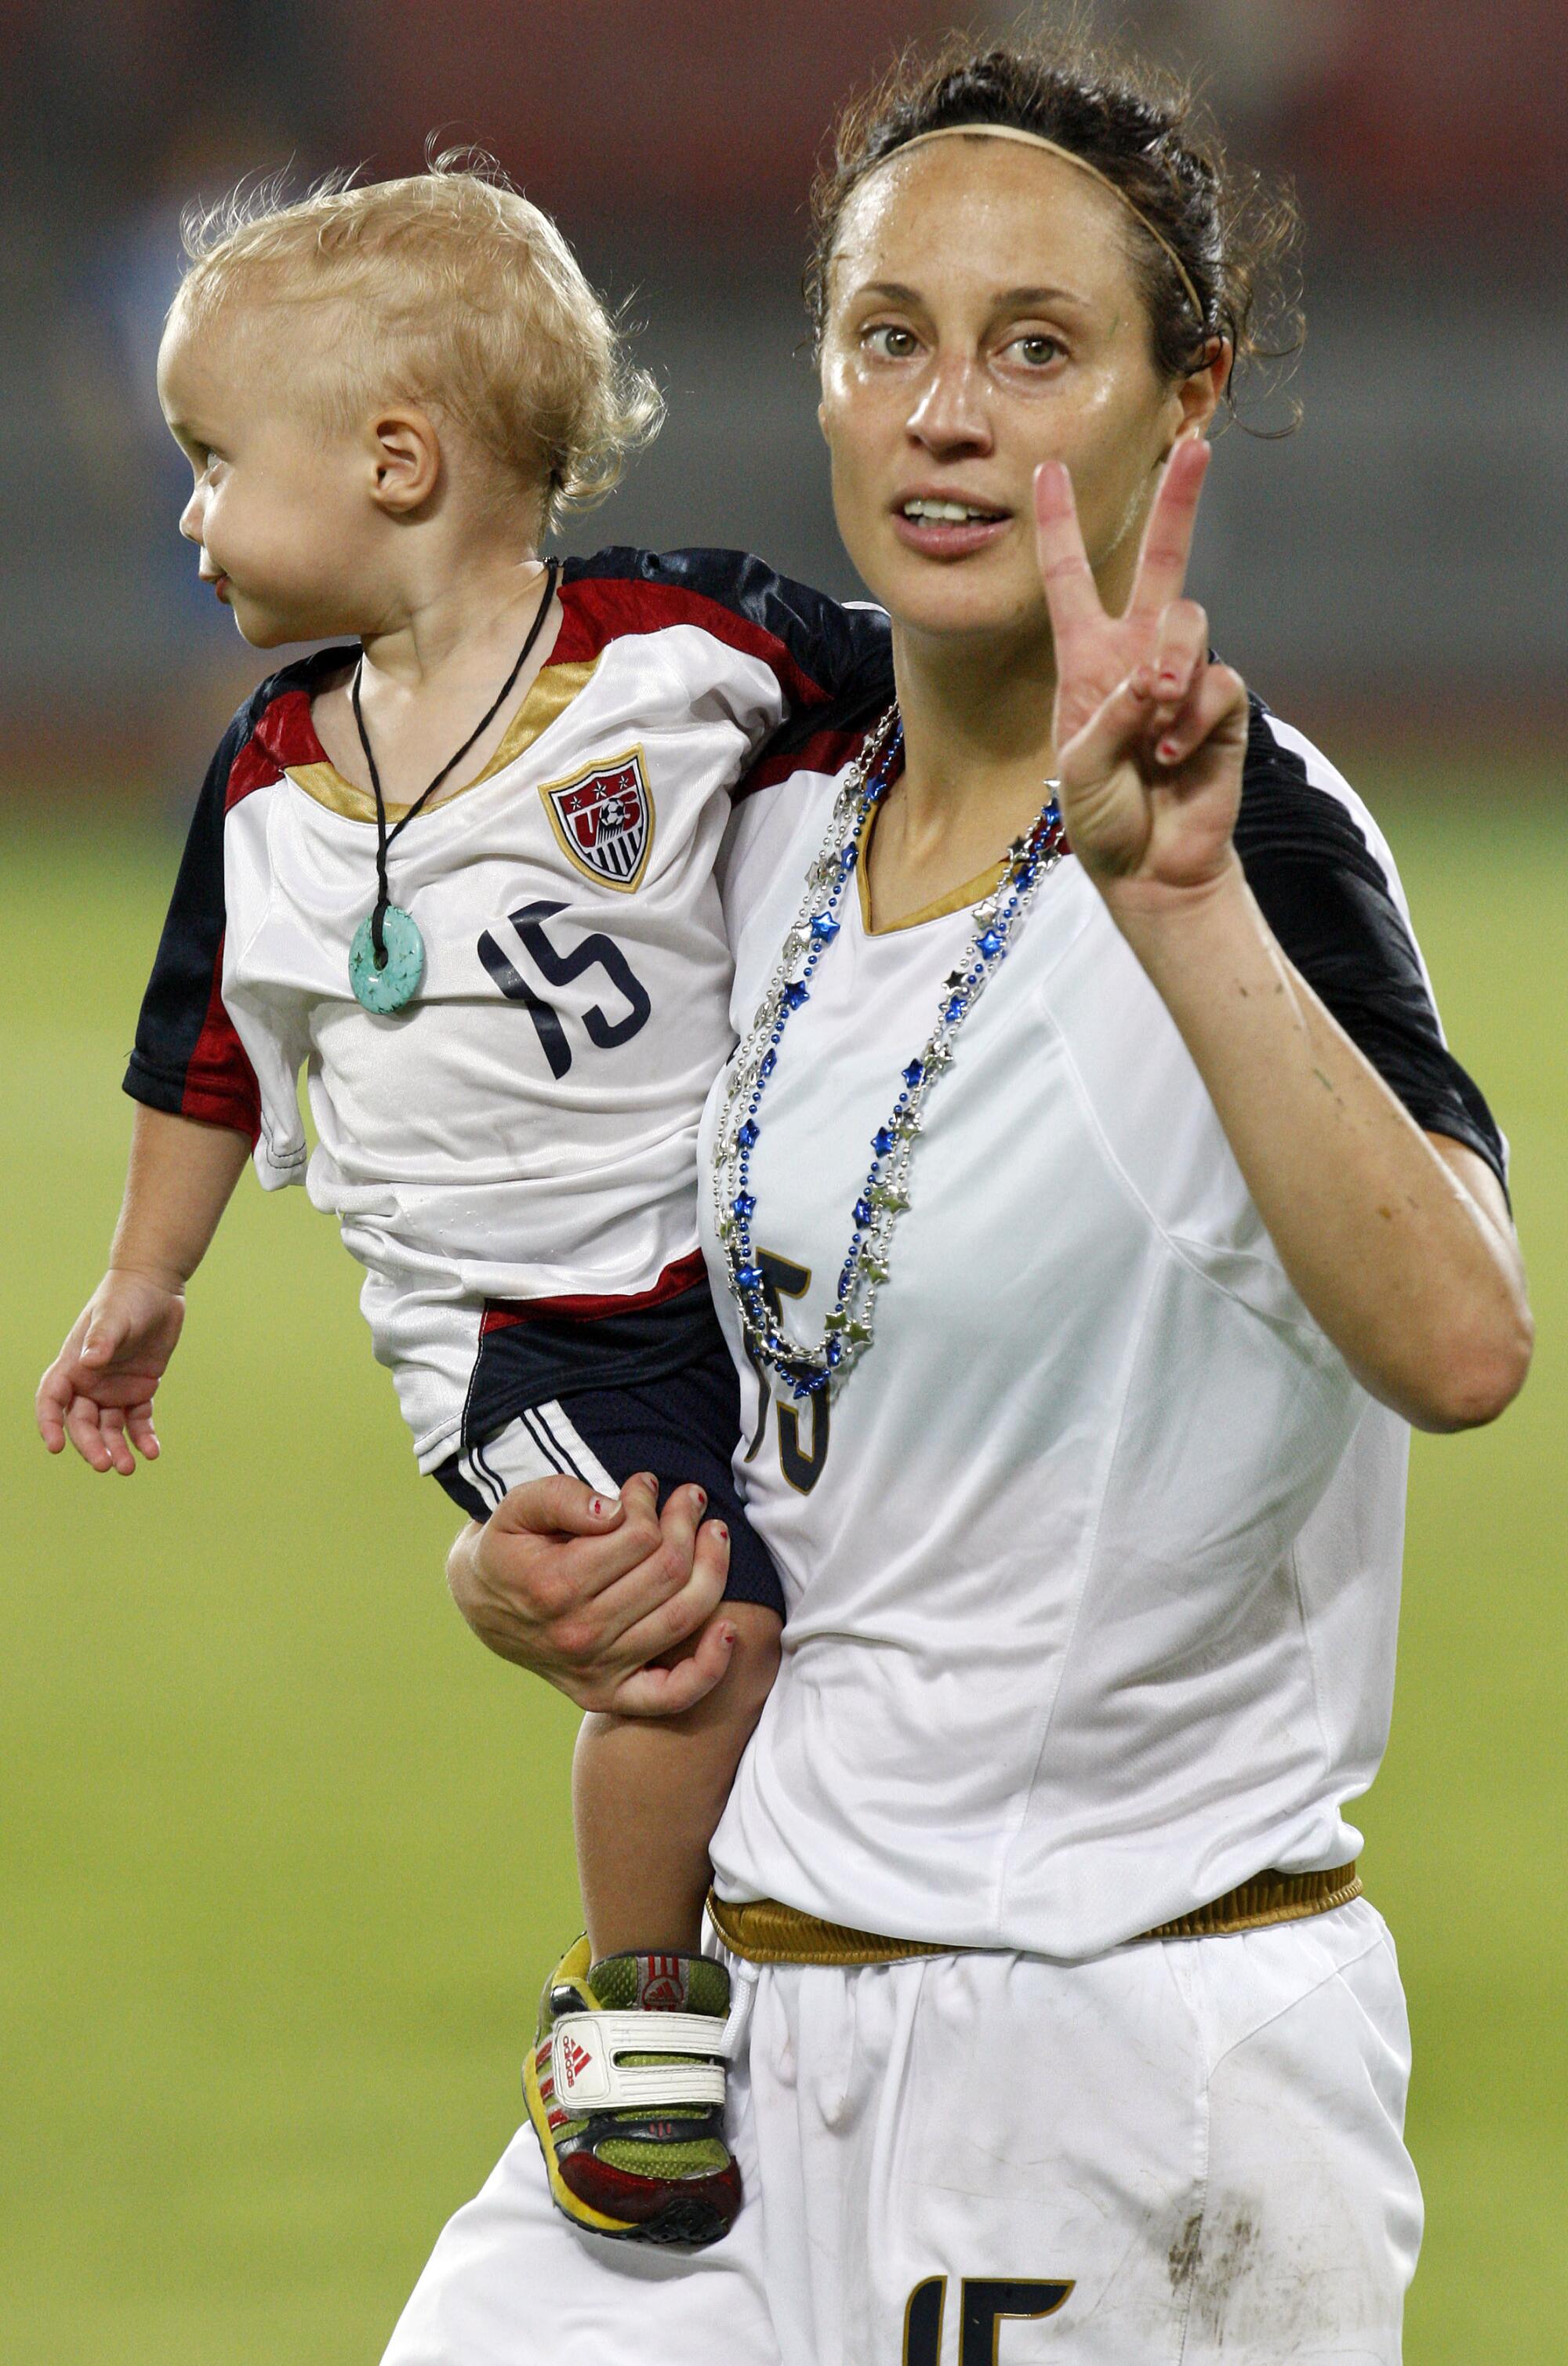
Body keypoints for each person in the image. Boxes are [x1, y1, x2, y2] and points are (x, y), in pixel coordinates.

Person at [382, 30, 1532, 2366]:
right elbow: (742, 1375)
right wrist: (551, 1560)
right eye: (891, 334)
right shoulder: (776, 822)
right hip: (732, 2045)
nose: (948, 411)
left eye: (1037, 347)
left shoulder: (1252, 833)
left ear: (1173, 400)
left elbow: (1463, 1341)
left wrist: (1184, 907)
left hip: (1130, 2075)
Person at [33, 161, 892, 2248]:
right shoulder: (263, 781)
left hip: (732, 1270)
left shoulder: (685, 651)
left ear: (396, 463)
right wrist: (151, 1277)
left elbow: (924, 704)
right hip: (510, 1324)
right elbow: (209, 1043)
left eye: (217, 465)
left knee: (852, 1592)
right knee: (687, 1623)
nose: (189, 517)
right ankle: (638, 2008)